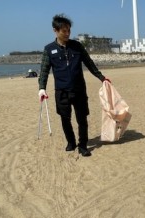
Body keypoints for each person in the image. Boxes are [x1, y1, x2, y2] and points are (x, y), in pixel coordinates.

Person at [37, 14, 110, 157]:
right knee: (65, 118)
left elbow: (89, 63)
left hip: (79, 90)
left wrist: (102, 78)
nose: (67, 33)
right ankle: (71, 142)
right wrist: (41, 88)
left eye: (69, 30)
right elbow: (44, 70)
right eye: (64, 31)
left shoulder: (77, 47)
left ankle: (83, 145)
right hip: (62, 91)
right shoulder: (49, 49)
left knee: (82, 118)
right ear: (55, 31)